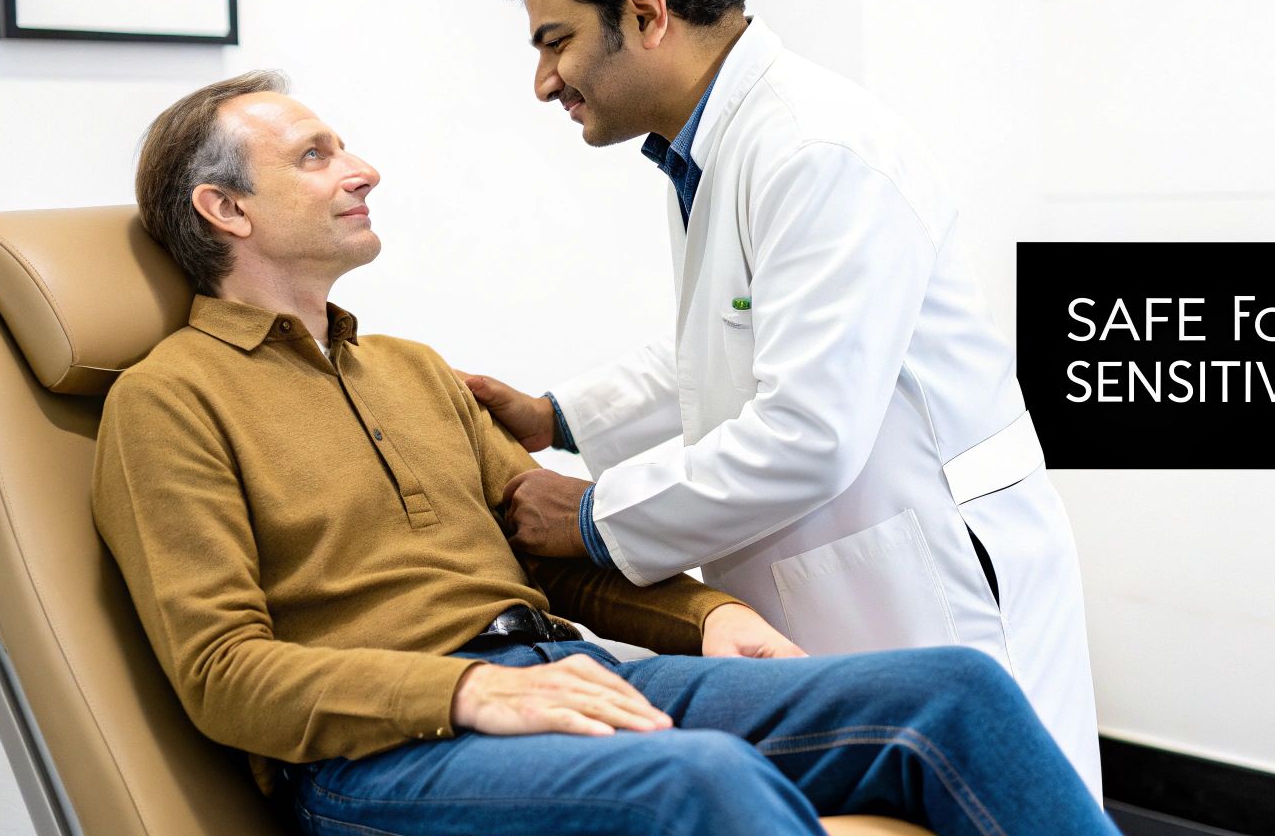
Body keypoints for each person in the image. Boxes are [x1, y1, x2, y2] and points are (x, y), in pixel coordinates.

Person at [92, 71, 1118, 836]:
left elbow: (547, 551)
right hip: (383, 753)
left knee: (951, 689)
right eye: (314, 156)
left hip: (561, 673)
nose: (362, 169)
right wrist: (462, 694)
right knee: (699, 777)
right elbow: (224, 672)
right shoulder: (168, 402)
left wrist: (706, 614)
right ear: (225, 210)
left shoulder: (410, 371)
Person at [463, 0, 1102, 797]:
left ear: (645, 13)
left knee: (1006, 803)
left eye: (555, 42)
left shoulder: (813, 149)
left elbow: (809, 433)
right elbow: (727, 336)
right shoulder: (717, 145)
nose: (544, 82)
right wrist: (554, 414)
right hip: (846, 560)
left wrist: (593, 517)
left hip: (932, 569)